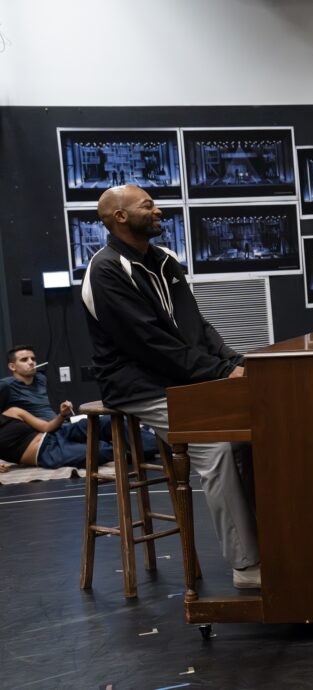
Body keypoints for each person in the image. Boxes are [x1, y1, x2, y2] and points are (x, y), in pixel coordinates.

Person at [82, 185, 261, 590]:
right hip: (139, 385)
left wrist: (237, 363)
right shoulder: (106, 270)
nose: (158, 210)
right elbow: (148, 345)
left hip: (181, 376)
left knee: (254, 430)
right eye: (148, 205)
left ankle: (275, 541)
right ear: (121, 217)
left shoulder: (163, 260)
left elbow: (197, 327)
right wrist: (218, 373)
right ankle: (247, 565)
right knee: (215, 445)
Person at [1, 344, 158, 458]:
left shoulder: (40, 379)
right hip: (45, 434)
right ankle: (147, 448)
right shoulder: (6, 386)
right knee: (100, 449)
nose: (31, 362)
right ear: (12, 366)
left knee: (108, 422)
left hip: (62, 426)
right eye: (24, 360)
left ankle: (159, 442)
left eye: (33, 358)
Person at [0, 401, 115, 471]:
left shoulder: (13, 412)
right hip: (48, 452)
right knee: (99, 451)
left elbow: (47, 427)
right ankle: (130, 453)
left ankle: (132, 443)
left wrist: (62, 415)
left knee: (105, 422)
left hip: (58, 433)